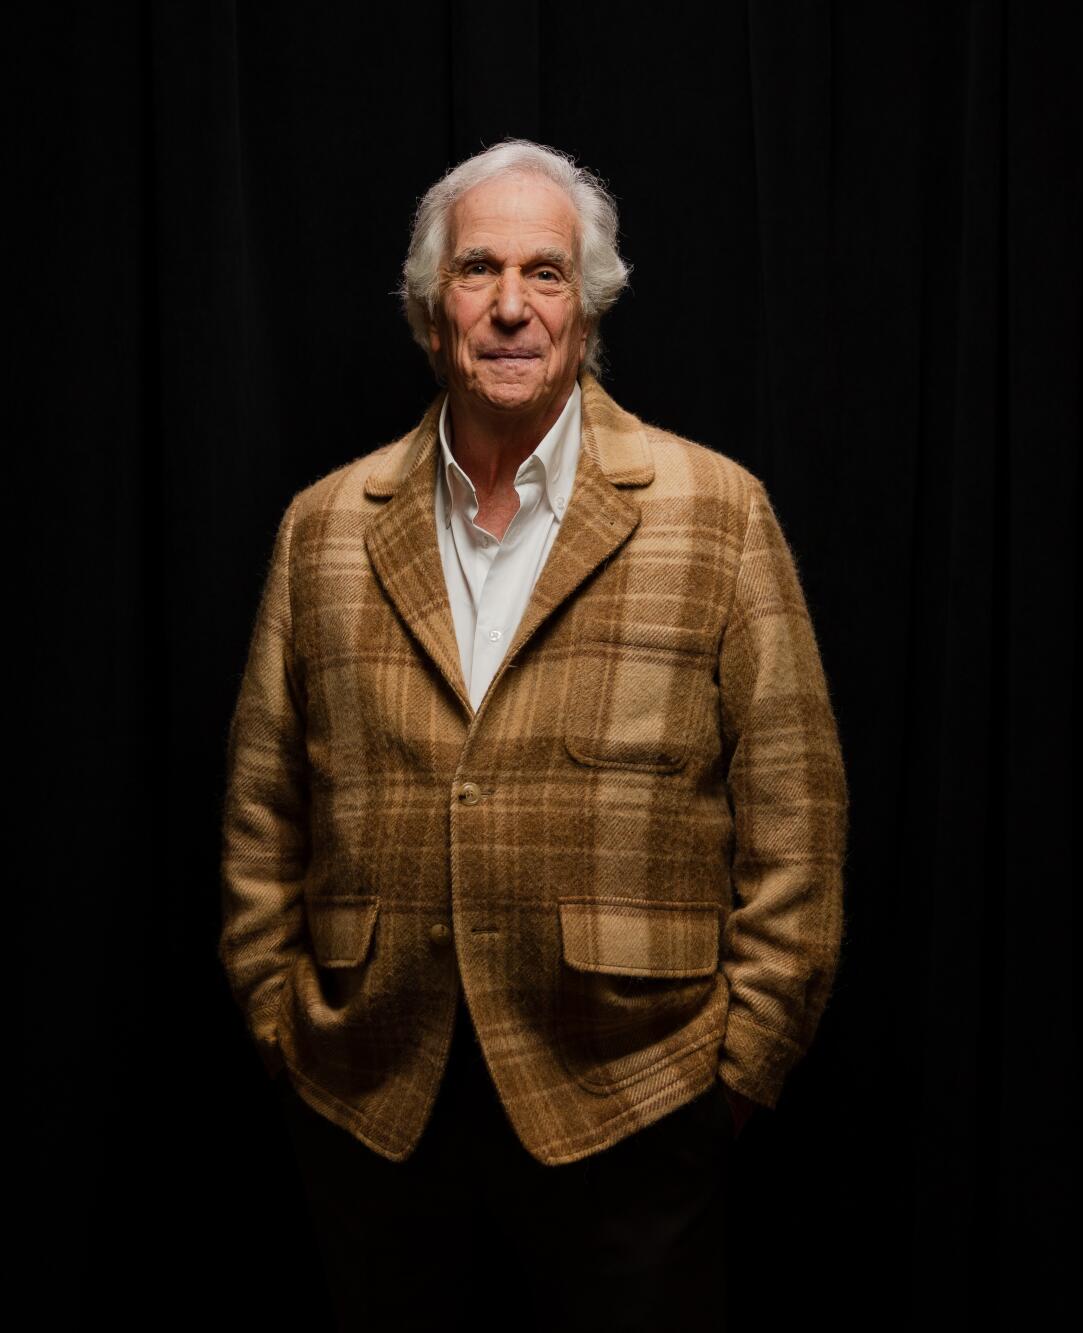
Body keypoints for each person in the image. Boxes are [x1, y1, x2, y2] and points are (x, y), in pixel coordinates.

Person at [216, 138, 849, 1332]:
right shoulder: (325, 530)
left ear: (589, 304)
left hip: (638, 1106)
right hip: (372, 1112)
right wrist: (283, 1032)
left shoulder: (714, 513)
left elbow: (795, 819)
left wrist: (735, 1076)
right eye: (478, 271)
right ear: (428, 305)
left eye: (545, 274)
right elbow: (262, 812)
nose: (510, 306)